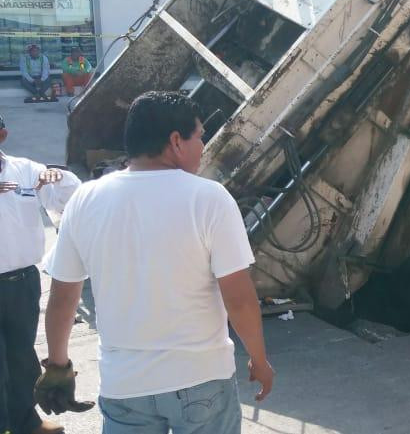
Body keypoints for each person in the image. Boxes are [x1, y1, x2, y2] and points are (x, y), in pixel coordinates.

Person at [38, 91, 274, 433]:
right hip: (201, 379)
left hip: (125, 386)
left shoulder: (85, 200)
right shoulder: (209, 199)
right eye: (200, 137)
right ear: (176, 141)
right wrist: (260, 359)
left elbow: (63, 298)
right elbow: (238, 298)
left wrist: (58, 366)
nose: (203, 147)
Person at [0, 113, 82, 434]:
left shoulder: (25, 170)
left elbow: (71, 197)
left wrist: (57, 178)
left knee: (21, 359)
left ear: (3, 135)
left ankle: (26, 423)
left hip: (22, 282)